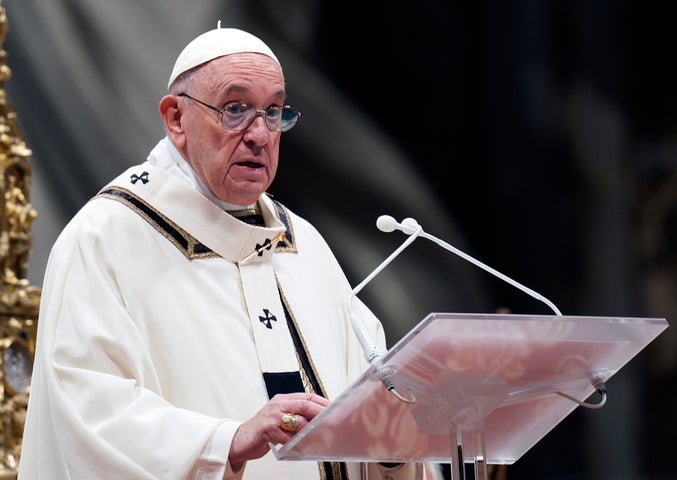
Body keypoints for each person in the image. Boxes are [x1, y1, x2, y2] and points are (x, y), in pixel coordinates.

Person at [17, 24, 440, 480]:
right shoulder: (104, 238)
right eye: (235, 109)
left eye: (274, 112)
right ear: (176, 119)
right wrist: (227, 442)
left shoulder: (305, 247)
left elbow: (373, 401)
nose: (260, 134)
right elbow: (85, 414)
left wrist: (393, 453)